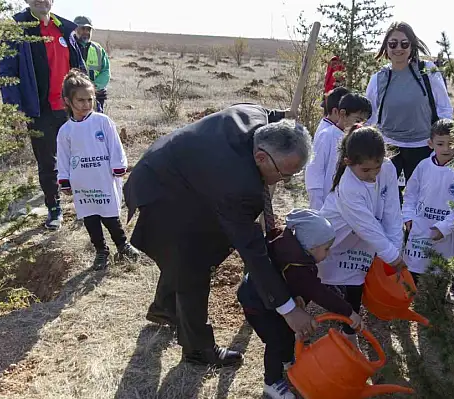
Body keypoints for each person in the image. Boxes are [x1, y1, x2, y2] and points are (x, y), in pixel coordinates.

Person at [123, 103, 317, 367]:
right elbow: (253, 250)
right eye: (284, 173)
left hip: (187, 176)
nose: (284, 180)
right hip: (161, 190)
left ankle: (164, 308)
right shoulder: (238, 185)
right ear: (261, 157)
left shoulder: (256, 116)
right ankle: (198, 350)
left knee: (191, 251)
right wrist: (288, 309)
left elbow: (273, 116)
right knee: (192, 262)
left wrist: (284, 116)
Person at [237, 209, 362, 399]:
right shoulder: (297, 266)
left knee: (287, 332)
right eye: (326, 248)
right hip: (257, 304)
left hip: (267, 300)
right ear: (311, 246)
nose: (328, 254)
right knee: (277, 340)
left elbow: (305, 286)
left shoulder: (291, 250)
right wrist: (348, 312)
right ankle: (271, 383)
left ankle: (288, 360)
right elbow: (318, 291)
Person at [0, 0, 87, 231]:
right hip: (40, 110)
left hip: (72, 108)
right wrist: (14, 109)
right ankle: (54, 208)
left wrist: (88, 102)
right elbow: (7, 72)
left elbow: (79, 68)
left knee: (81, 158)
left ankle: (85, 205)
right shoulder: (18, 27)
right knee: (48, 163)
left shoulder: (66, 29)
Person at [318, 125, 405, 344]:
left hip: (361, 237)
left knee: (355, 276)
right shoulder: (348, 187)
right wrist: (393, 257)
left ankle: (349, 335)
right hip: (332, 239)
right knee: (315, 279)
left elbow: (392, 211)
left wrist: (397, 246)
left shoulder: (387, 169)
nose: (373, 175)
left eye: (376, 168)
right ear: (348, 163)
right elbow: (367, 226)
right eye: (366, 171)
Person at [56, 70, 139, 270]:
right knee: (90, 218)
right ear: (68, 101)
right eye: (81, 100)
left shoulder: (103, 121)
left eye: (90, 99)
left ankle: (123, 245)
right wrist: (64, 180)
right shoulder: (65, 131)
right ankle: (101, 251)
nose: (86, 104)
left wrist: (119, 166)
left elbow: (115, 145)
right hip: (82, 183)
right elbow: (63, 157)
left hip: (103, 178)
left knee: (110, 215)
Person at [365, 21, 453, 200]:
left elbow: (444, 108)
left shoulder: (428, 72)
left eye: (404, 44)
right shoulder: (379, 78)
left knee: (422, 195)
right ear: (386, 47)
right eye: (393, 44)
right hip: (389, 148)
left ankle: (416, 228)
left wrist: (442, 141)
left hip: (423, 146)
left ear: (412, 46)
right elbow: (369, 115)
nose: (399, 48)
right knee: (387, 197)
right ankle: (393, 228)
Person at [401, 119, 454, 303]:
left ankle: (435, 315)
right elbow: (410, 193)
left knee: (440, 275)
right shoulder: (423, 166)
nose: (446, 148)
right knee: (415, 273)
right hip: (420, 229)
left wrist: (443, 228)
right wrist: (408, 216)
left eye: (451, 144)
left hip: (447, 235)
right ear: (430, 144)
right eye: (440, 144)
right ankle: (408, 309)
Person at [305, 93, 372, 210]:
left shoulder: (359, 140)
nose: (361, 125)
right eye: (358, 120)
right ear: (343, 114)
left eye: (364, 122)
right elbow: (314, 173)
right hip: (326, 204)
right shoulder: (327, 136)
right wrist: (317, 206)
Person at [73, 16, 111, 113]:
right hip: (75, 97)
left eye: (88, 29)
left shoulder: (98, 49)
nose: (86, 32)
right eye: (82, 28)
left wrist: (93, 88)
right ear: (75, 29)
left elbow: (105, 71)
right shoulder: (68, 47)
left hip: (96, 96)